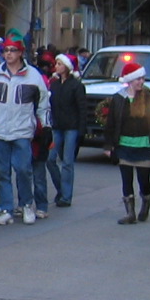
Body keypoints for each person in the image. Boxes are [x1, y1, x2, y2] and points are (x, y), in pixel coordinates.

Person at [0, 38, 49, 226]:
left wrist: (46, 126)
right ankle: (6, 209)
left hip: (22, 131)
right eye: (6, 50)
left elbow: (43, 104)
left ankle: (26, 205)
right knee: (2, 172)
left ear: (20, 53)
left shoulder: (33, 76)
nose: (8, 54)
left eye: (12, 50)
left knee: (23, 170)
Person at [107, 61, 150, 223]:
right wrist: (109, 145)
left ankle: (146, 200)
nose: (141, 82)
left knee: (143, 180)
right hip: (124, 145)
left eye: (142, 79)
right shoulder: (119, 98)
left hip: (144, 145)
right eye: (138, 79)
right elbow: (111, 122)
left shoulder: (148, 96)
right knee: (126, 180)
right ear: (130, 80)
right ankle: (130, 213)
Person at [46, 52, 87, 208]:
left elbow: (82, 108)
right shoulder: (54, 84)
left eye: (59, 64)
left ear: (67, 67)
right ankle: (61, 189)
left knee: (67, 162)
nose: (56, 66)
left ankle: (66, 196)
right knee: (50, 159)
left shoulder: (76, 85)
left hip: (71, 127)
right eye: (56, 63)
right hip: (57, 126)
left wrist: (81, 129)